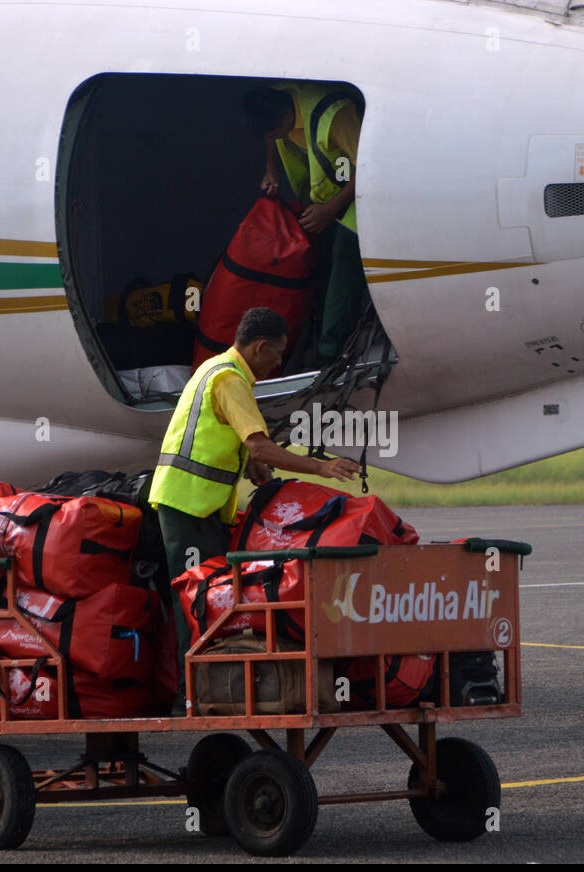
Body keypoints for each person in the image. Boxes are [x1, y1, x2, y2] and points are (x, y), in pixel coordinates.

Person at [148, 308, 361, 698]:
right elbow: (258, 442)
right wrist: (320, 467)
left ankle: (203, 682)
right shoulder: (230, 380)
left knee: (205, 595)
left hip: (195, 503)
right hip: (188, 504)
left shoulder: (215, 368)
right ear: (260, 346)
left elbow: (227, 436)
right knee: (195, 597)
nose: (279, 363)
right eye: (277, 354)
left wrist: (252, 467)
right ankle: (189, 690)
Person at [243, 83, 368, 362]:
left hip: (363, 191)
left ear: (287, 119)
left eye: (274, 133)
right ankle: (311, 336)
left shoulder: (335, 115)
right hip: (326, 199)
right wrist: (271, 170)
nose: (273, 139)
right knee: (315, 259)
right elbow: (271, 139)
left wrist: (330, 210)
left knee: (344, 255)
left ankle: (331, 356)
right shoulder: (279, 97)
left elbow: (371, 166)